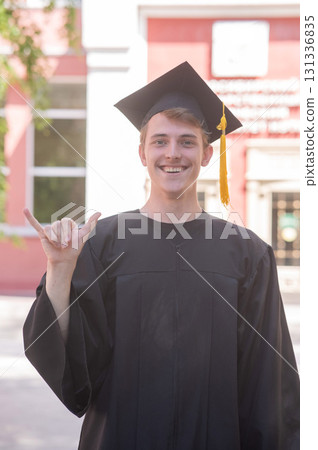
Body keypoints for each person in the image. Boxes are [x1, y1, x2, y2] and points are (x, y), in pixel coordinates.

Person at [23, 62, 299, 449]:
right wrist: (59, 270)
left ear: (206, 154)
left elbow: (270, 383)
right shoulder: (101, 243)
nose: (173, 153)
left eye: (187, 141)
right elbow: (74, 373)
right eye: (160, 141)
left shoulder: (247, 254)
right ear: (142, 152)